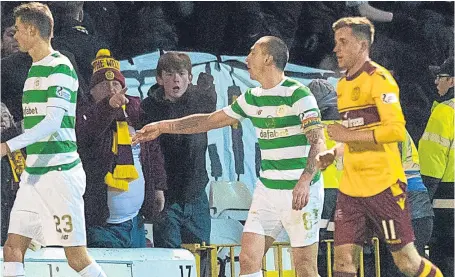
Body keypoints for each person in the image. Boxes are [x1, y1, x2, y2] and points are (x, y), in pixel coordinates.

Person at [134, 36, 326, 277]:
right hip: (268, 190)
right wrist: (162, 126)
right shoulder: (253, 96)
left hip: (301, 191)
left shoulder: (298, 94)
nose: (246, 58)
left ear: (267, 58)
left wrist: (305, 180)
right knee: (247, 259)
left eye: (253, 53)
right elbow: (208, 120)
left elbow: (318, 141)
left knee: (306, 269)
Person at [316, 17, 443, 277]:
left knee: (406, 263)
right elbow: (352, 134)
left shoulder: (380, 79)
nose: (335, 49)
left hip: (383, 186)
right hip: (351, 188)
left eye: (343, 42)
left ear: (362, 45)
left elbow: (395, 131)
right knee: (342, 262)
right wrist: (334, 151)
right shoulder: (342, 85)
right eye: (335, 42)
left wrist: (347, 136)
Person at [0, 3, 106, 276]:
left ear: (33, 30)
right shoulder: (34, 69)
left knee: (76, 259)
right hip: (34, 175)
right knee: (12, 248)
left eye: (19, 31)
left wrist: (7, 146)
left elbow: (52, 123)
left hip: (59, 175)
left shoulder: (60, 67)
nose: (16, 36)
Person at [76, 49, 167, 248]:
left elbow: (152, 152)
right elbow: (89, 133)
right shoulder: (84, 115)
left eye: (116, 84)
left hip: (135, 223)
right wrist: (108, 107)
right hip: (101, 225)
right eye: (103, 85)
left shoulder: (137, 115)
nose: (111, 89)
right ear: (91, 91)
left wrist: (158, 186)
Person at [140, 52, 216, 276]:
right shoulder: (148, 109)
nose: (176, 79)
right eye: (170, 74)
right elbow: (148, 154)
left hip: (196, 195)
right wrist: (156, 187)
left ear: (189, 78)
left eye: (181, 74)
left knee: (202, 256)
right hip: (166, 197)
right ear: (159, 79)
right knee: (169, 260)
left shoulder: (200, 100)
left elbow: (213, 110)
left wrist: (210, 91)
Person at [419, 57, 454, 277]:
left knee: (445, 261)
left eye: (439, 77)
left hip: (447, 204)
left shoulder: (445, 112)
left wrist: (420, 208)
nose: (435, 82)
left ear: (452, 81)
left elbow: (431, 166)